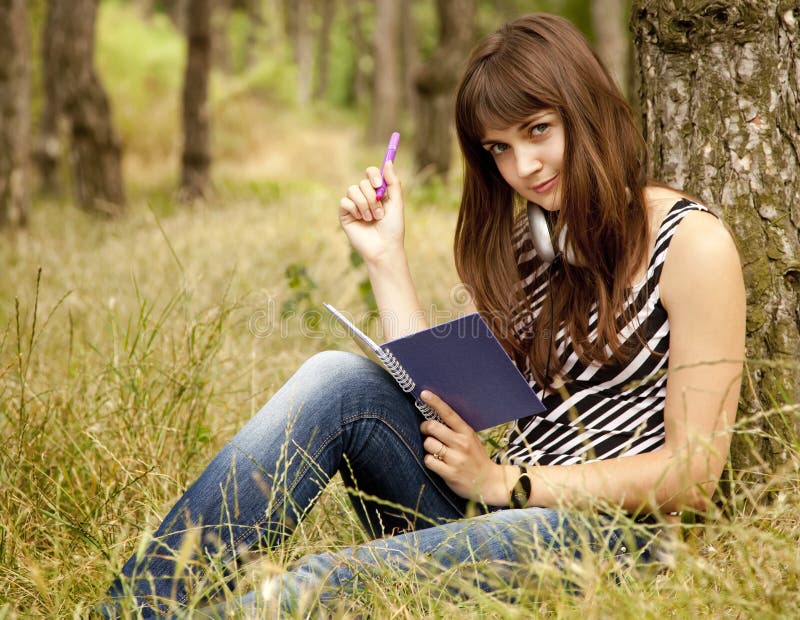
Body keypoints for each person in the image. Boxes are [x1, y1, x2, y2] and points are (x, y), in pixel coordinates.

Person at [102, 13, 745, 617]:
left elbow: (692, 473)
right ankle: (135, 608)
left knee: (323, 580)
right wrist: (385, 257)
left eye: (539, 130)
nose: (523, 167)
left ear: (586, 110)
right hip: (492, 511)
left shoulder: (692, 245)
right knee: (337, 379)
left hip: (604, 541)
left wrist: (507, 482)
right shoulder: (533, 243)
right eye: (499, 148)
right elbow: (446, 395)